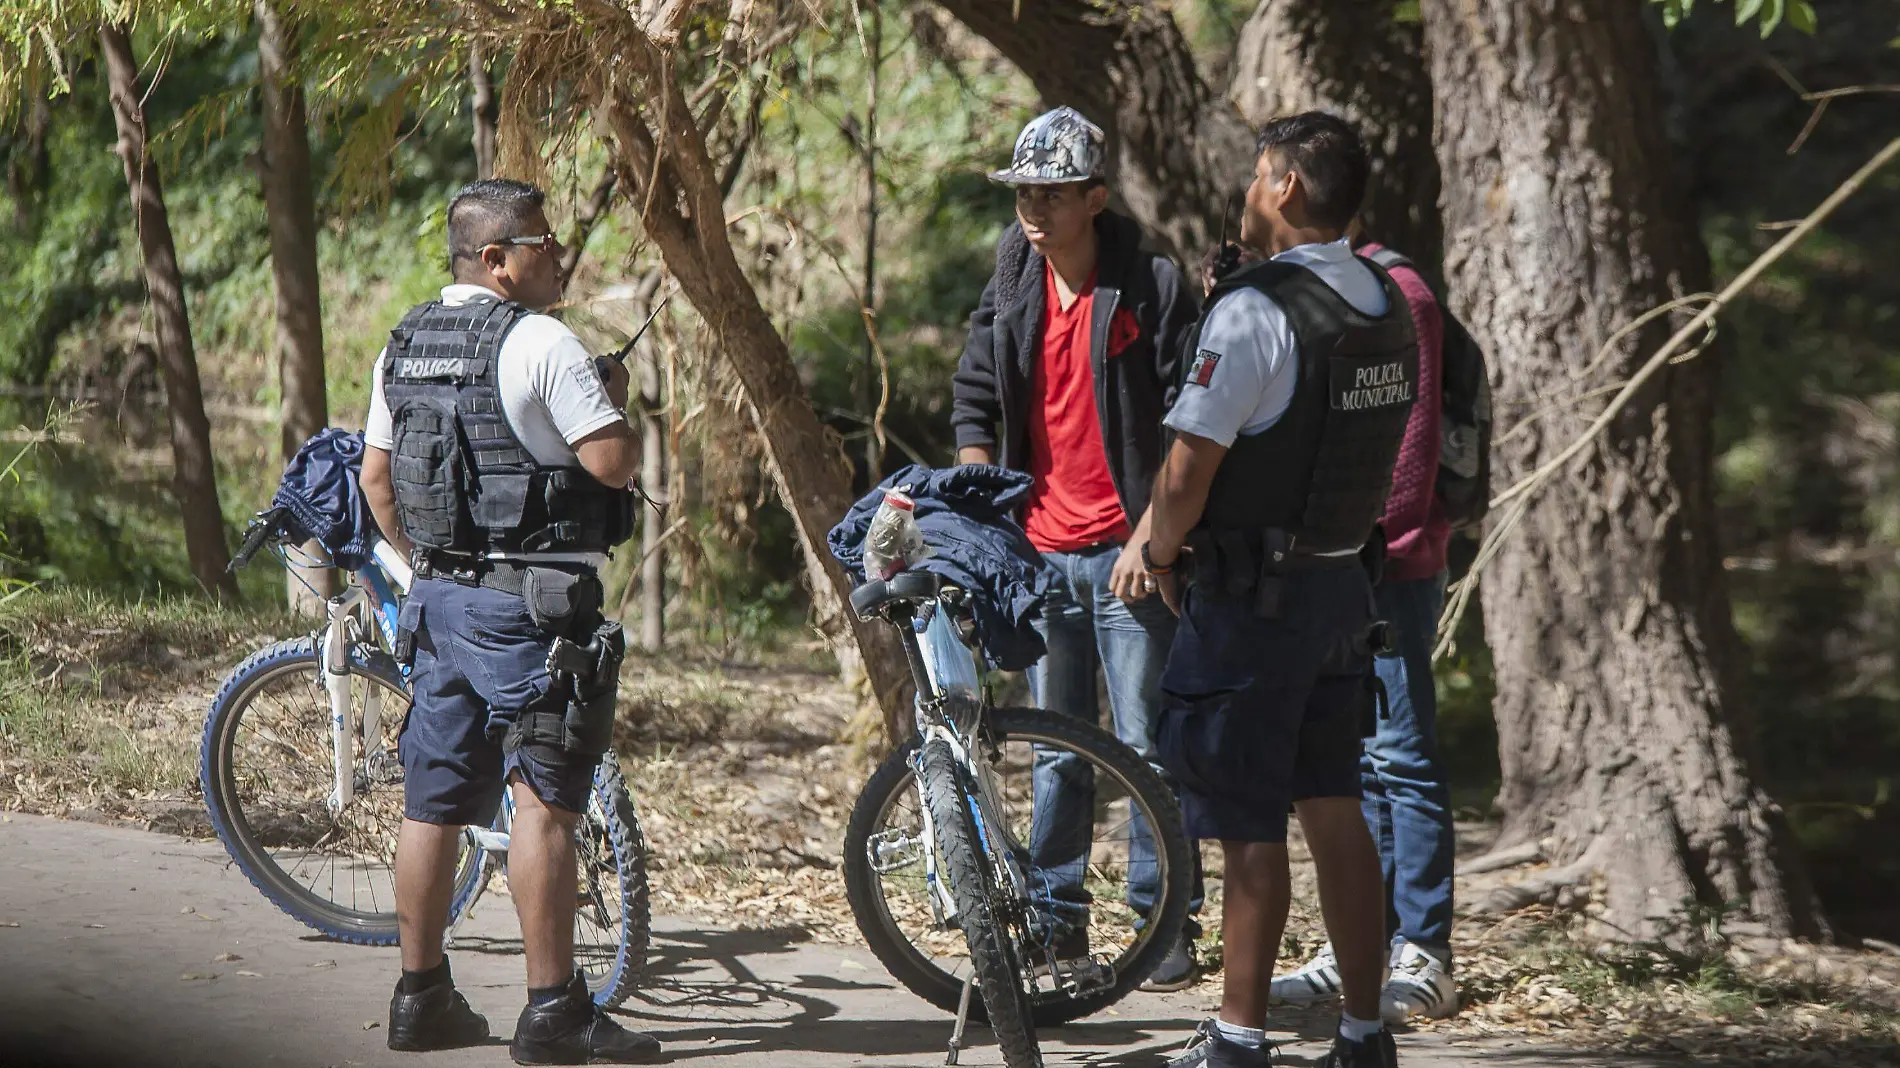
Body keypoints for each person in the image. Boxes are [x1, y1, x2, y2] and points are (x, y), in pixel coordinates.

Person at [359, 178, 657, 1065]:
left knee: (434, 801)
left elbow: (378, 481)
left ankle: (419, 1002)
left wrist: (427, 572)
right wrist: (612, 392)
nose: (558, 255)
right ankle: (554, 1016)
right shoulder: (543, 343)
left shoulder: (403, 345)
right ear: (496, 260)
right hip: (531, 613)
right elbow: (609, 461)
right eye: (542, 243)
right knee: (546, 804)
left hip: (438, 605)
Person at [1148, 112, 1417, 1068]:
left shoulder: (1258, 312)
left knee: (1246, 822)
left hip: (1251, 608)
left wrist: (1158, 547)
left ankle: (1237, 1041)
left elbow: (1189, 469)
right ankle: (1363, 1032)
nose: (1249, 190)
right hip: (1343, 596)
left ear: (1286, 188)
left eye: (1259, 175)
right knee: (1334, 806)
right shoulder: (1383, 300)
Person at [951, 105, 1205, 989]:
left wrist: (1156, 538)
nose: (1034, 208)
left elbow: (1193, 421)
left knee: (1143, 743)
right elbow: (976, 394)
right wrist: (987, 508)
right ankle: (1058, 925)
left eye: (1053, 193)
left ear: (1094, 197)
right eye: (1023, 191)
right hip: (1041, 552)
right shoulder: (1016, 269)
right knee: (1056, 747)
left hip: (1129, 555)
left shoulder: (1153, 284)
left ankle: (1165, 918)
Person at [1271, 234, 1457, 1022]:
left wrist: (1377, 550)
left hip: (1394, 569)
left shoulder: (1397, 295)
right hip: (1342, 568)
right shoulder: (1315, 293)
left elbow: (1410, 461)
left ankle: (1427, 954)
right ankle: (1360, 946)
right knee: (1357, 766)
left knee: (1404, 759)